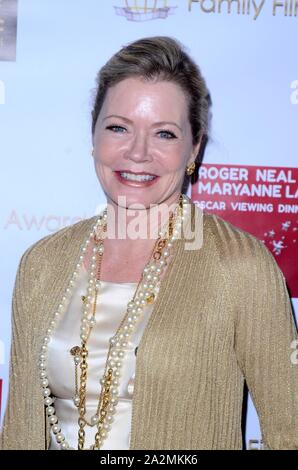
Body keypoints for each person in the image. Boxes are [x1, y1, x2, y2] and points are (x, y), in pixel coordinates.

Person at [0, 35, 297, 451]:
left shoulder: (241, 266)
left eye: (164, 134)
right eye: (118, 127)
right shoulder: (42, 264)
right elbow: (18, 430)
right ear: (94, 136)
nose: (137, 152)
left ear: (194, 148)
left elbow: (292, 430)